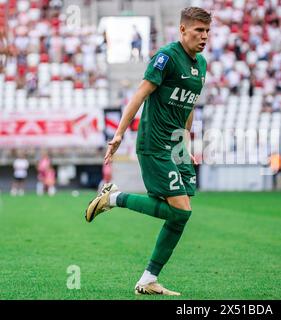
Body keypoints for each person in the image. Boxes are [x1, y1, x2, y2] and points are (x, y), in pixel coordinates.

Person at [84, 7, 211, 296]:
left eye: (207, 31)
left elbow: (188, 106)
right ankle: (114, 198)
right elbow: (140, 94)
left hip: (175, 146)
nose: (203, 37)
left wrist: (185, 144)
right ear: (182, 30)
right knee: (181, 213)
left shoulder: (201, 65)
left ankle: (148, 279)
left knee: (179, 212)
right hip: (154, 145)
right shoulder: (166, 57)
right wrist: (118, 134)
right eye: (198, 31)